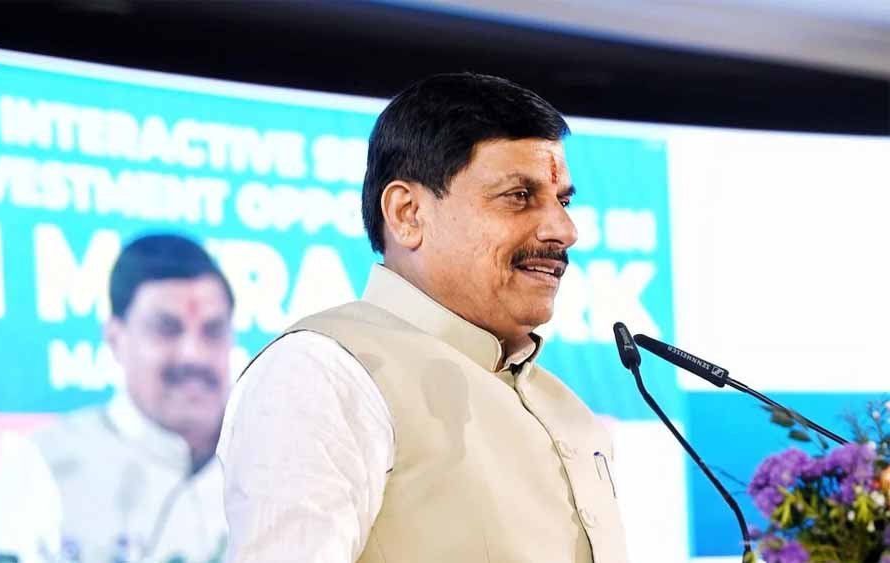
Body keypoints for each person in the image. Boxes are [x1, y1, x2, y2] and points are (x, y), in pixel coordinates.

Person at [218, 73, 629, 562]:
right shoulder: (322, 372)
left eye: (562, 201)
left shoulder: (567, 408)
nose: (565, 229)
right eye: (519, 196)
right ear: (407, 213)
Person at [3, 233, 234, 562]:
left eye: (213, 330)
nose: (193, 355)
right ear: (115, 339)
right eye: (167, 329)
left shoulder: (279, 460)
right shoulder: (44, 467)